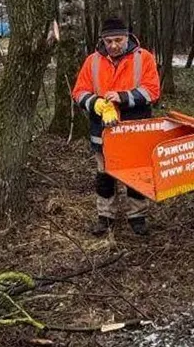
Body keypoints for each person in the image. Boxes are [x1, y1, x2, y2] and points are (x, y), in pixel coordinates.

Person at [72, 17, 161, 237]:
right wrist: (97, 103)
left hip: (135, 130)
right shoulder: (92, 61)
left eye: (118, 40)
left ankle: (137, 217)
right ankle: (105, 217)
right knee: (104, 175)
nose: (113, 46)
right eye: (109, 41)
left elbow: (152, 91)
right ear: (102, 39)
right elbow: (79, 92)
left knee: (137, 174)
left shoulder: (144, 59)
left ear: (127, 37)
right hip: (101, 130)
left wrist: (123, 97)